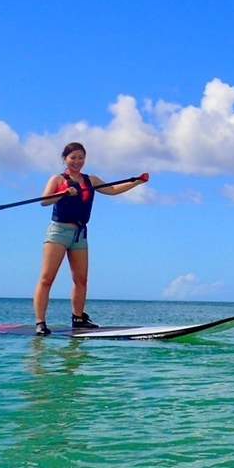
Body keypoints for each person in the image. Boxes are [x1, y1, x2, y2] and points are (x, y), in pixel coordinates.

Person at [33, 142, 148, 335]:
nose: (77, 161)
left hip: (80, 234)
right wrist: (62, 193)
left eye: (81, 157)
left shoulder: (91, 180)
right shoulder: (57, 179)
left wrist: (136, 182)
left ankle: (78, 319)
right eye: (73, 157)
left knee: (81, 280)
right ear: (65, 159)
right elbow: (44, 201)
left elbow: (113, 190)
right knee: (47, 279)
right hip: (58, 232)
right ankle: (40, 323)